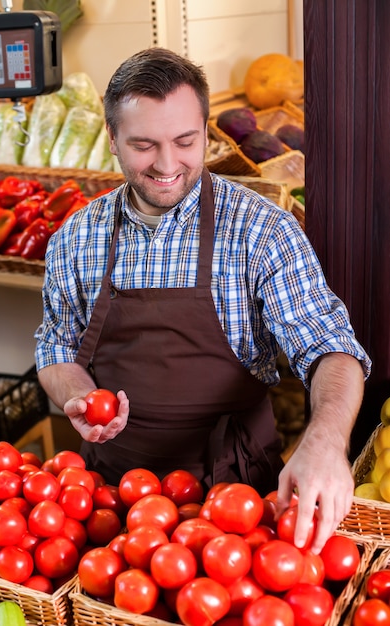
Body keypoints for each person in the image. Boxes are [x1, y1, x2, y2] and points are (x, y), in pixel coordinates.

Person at [35, 47, 371, 554]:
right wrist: (76, 395)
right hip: (110, 500)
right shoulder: (76, 236)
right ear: (112, 140)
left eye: (185, 141)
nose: (168, 165)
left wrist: (325, 441)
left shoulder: (261, 230)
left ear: (205, 132)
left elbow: (330, 347)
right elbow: (55, 346)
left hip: (237, 501)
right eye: (144, 145)